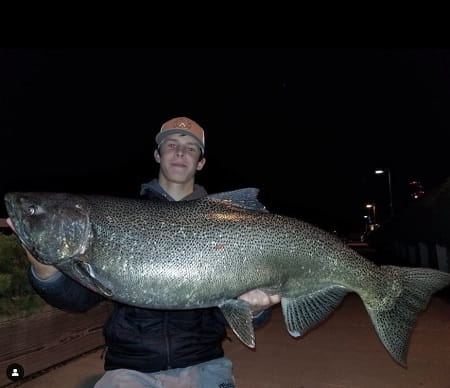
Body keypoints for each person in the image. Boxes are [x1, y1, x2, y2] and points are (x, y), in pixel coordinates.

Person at [7, 116, 281, 388]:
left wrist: (254, 309)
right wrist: (44, 270)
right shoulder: (119, 214)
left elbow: (225, 311)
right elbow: (79, 300)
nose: (180, 152)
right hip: (129, 369)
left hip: (204, 364)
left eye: (190, 147)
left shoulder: (225, 223)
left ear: (200, 162)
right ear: (157, 154)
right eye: (171, 144)